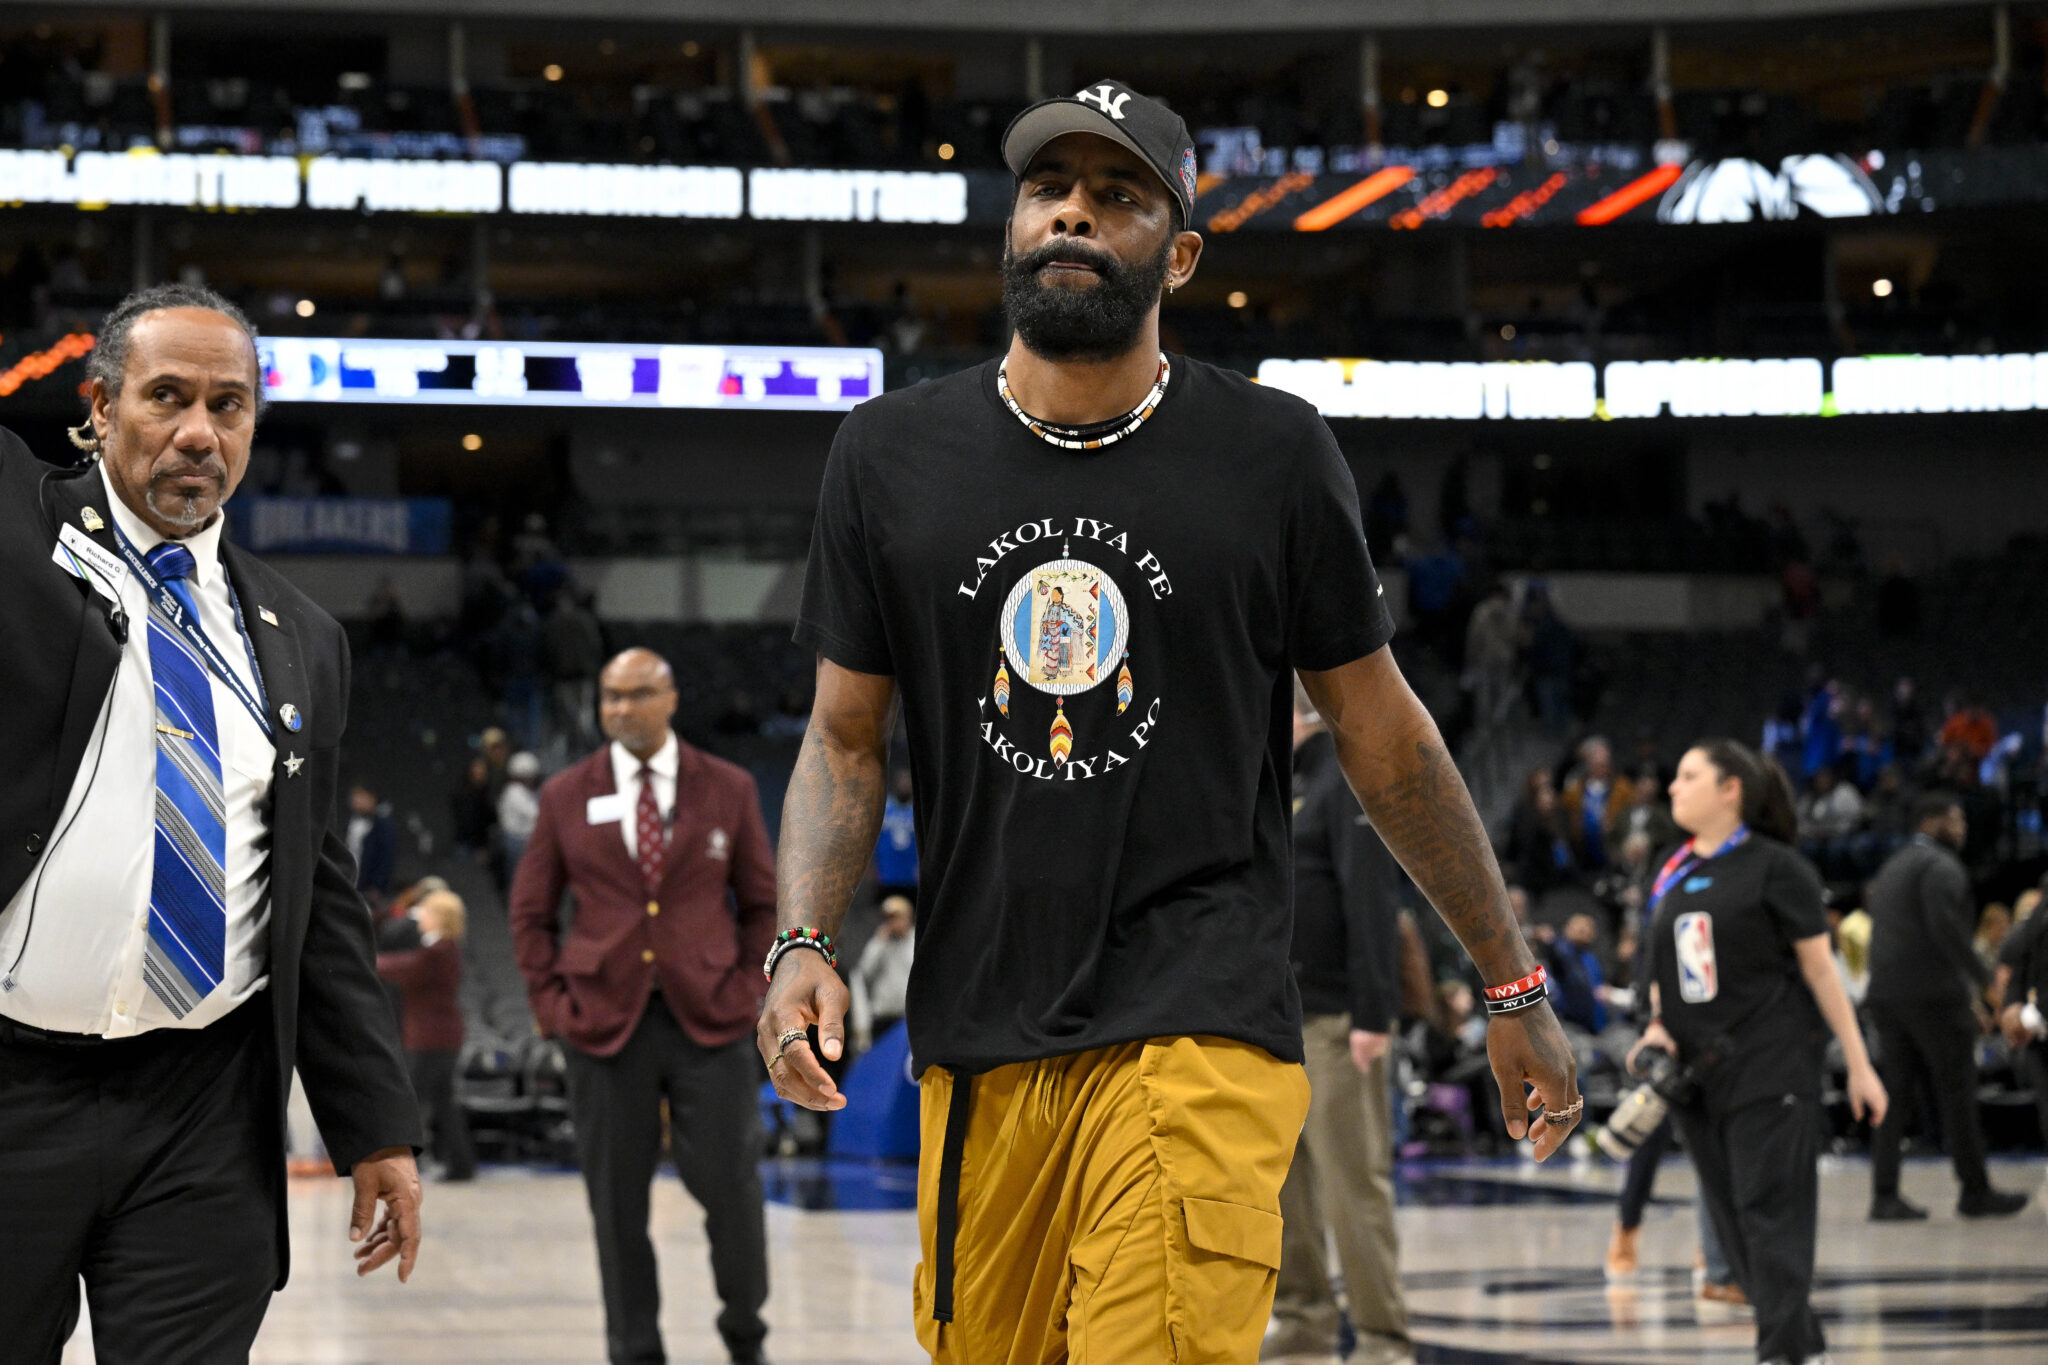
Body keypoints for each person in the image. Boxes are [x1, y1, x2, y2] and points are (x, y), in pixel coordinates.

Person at [758, 79, 1579, 1365]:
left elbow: (1383, 735)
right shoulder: (884, 454)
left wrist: (1510, 978)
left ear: (1179, 255)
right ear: (1011, 226)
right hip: (977, 1031)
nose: (1072, 214)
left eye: (1118, 195)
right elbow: (842, 737)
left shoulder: (1273, 452)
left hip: (1199, 1014)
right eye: (1048, 189)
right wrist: (803, 936)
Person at [0, 282, 423, 1363]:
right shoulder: (15, 532)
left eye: (227, 405)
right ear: (100, 406)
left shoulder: (304, 637)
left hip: (204, 1108)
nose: (198, 431)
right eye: (166, 397)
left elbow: (319, 897)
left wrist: (375, 1124)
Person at [509, 647, 778, 1365]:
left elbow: (763, 903)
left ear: (671, 698)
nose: (621, 708)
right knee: (616, 1204)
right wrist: (549, 1003)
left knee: (732, 1186)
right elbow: (531, 912)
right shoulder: (565, 794)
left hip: (711, 1019)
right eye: (610, 696)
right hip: (602, 1025)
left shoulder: (729, 787)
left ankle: (745, 1331)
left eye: (636, 694)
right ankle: (634, 1350)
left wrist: (751, 988)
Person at [1631, 739, 1888, 1365]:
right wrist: (1656, 1026)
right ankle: (1806, 1349)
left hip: (1771, 1066)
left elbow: (1822, 972)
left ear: (1731, 791)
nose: (1673, 787)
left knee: (1770, 1214)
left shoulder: (1778, 868)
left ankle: (1782, 1354)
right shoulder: (1672, 871)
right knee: (1733, 1228)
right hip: (1696, 1076)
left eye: (1689, 775)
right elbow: (1665, 968)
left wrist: (1859, 1065)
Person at [1265, 685, 1411, 1365]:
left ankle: (1382, 1335)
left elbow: (1373, 903)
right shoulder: (1285, 783)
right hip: (1278, 1020)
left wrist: (1373, 1013)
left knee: (1354, 1183)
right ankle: (1303, 1315)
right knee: (1283, 1182)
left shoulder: (1346, 778)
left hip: (1336, 1019)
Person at [1865, 793, 2029, 1221]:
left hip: (1886, 995)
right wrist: (1983, 983)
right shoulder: (1941, 866)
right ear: (1931, 821)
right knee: (1957, 1092)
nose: (1963, 828)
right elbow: (1946, 930)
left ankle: (1884, 1194)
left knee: (1895, 1096)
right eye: (1956, 820)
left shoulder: (1893, 866)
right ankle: (1975, 1190)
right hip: (1931, 994)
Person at [377, 889, 476, 1182]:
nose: (421, 917)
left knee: (412, 1102)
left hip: (430, 1039)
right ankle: (460, 1164)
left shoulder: (438, 951)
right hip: (442, 1037)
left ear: (440, 917)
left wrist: (366, 958)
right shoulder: (445, 949)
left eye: (427, 912)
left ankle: (404, 1164)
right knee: (444, 1103)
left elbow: (403, 967)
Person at [850, 894, 915, 1053]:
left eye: (896, 917)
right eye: (889, 918)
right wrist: (879, 943)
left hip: (908, 1016)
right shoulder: (880, 942)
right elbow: (864, 971)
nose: (893, 922)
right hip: (883, 1016)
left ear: (908, 917)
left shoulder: (916, 940)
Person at [1562, 736, 1636, 872]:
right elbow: (1565, 812)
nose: (1603, 765)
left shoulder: (1623, 788)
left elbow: (1633, 813)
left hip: (1611, 848)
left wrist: (1616, 824)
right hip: (1581, 850)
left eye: (1605, 761)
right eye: (1598, 762)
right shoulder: (1575, 788)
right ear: (1589, 763)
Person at [346, 782, 399, 904]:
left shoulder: (383, 824)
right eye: (354, 796)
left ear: (372, 798)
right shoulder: (350, 821)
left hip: (369, 886)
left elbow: (386, 857)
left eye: (361, 796)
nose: (356, 800)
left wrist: (376, 886)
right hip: (351, 878)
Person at [873, 768, 919, 903]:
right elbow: (874, 844)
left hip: (911, 877)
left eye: (907, 782)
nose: (904, 785)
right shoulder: (885, 809)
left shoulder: (917, 811)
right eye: (902, 781)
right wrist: (874, 871)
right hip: (887, 875)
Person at [497, 749, 542, 875]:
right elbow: (534, 813)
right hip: (517, 841)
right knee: (519, 875)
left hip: (524, 839)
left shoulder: (526, 791)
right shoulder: (514, 792)